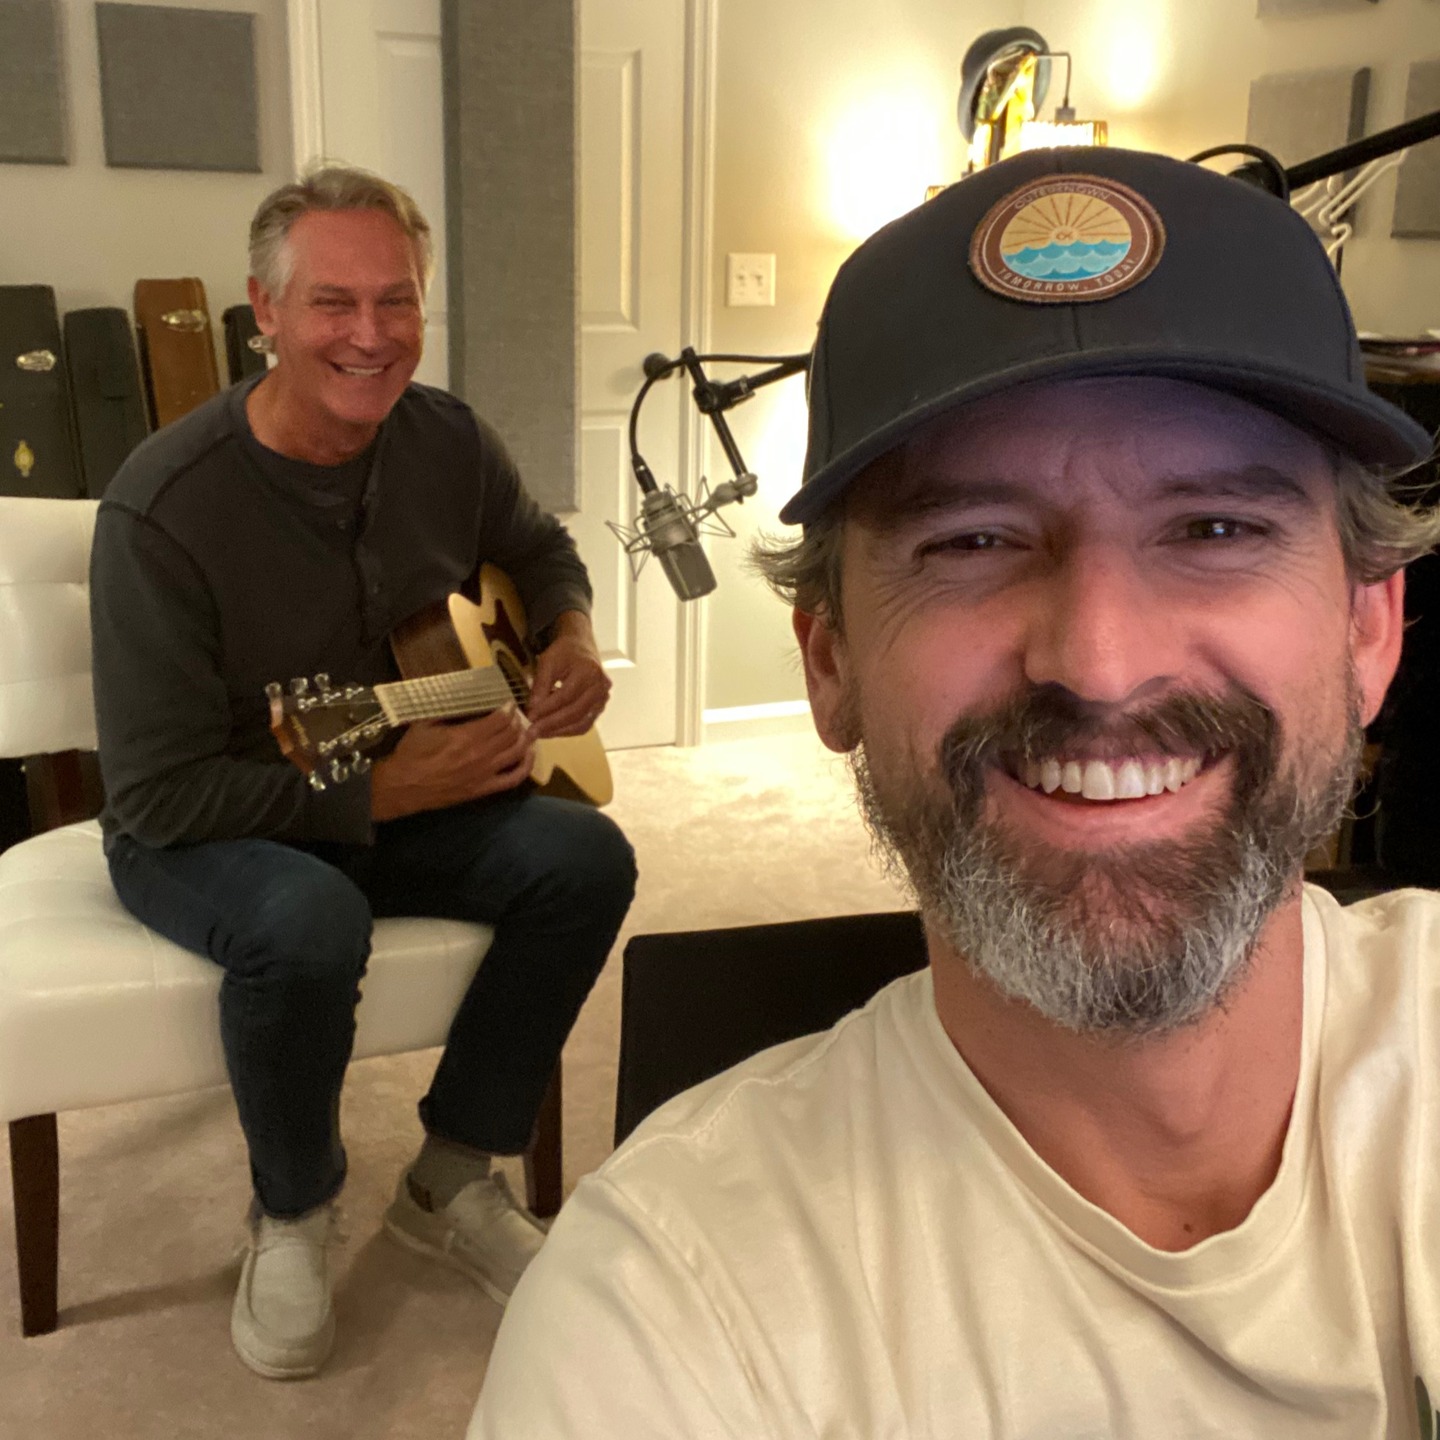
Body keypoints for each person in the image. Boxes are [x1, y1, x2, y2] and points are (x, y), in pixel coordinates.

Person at [473, 147, 1440, 1436]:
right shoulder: (666, 1309)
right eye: (972, 543)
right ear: (831, 665)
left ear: (1373, 630)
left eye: (1215, 529)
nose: (1099, 662)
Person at [90, 166, 637, 1380]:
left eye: (398, 303)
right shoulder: (163, 511)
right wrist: (391, 794)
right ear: (263, 312)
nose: (373, 336)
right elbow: (157, 796)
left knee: (584, 858)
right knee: (306, 914)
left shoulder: (444, 436)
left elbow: (540, 549)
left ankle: (452, 1177)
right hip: (210, 826)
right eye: (334, 303)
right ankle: (290, 1213)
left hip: (400, 784)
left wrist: (568, 636)